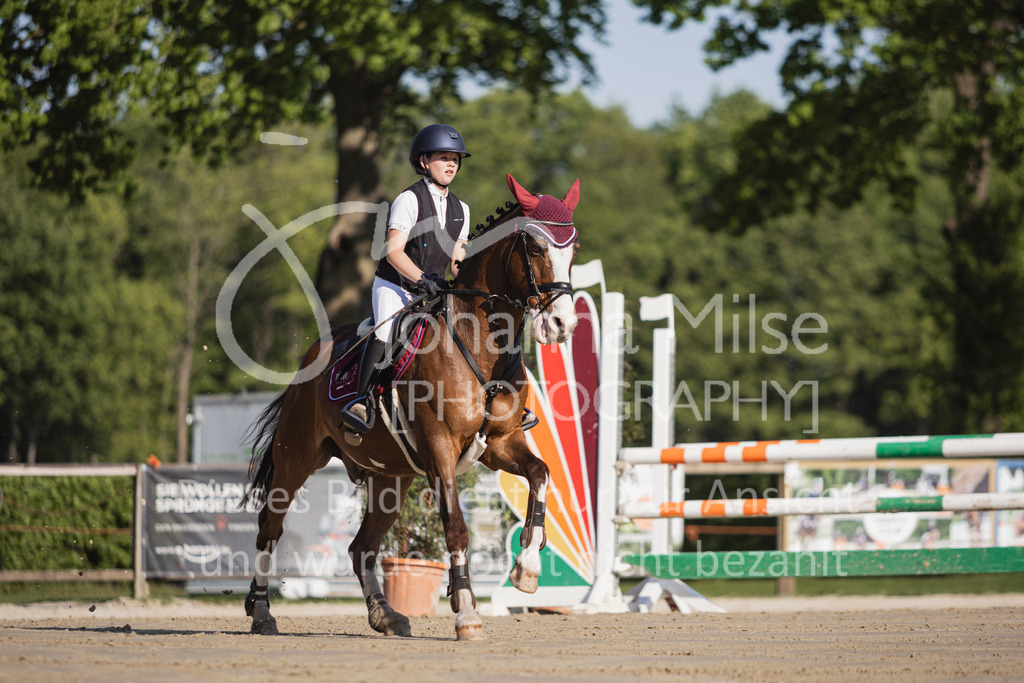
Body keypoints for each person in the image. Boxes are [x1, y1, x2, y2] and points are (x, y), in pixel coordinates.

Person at [340, 124, 471, 441]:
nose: (451, 164)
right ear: (424, 161)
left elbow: (456, 258)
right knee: (386, 330)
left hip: (435, 291)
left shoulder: (462, 209)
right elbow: (394, 252)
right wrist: (423, 279)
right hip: (396, 286)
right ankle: (362, 403)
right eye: (444, 157)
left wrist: (465, 277)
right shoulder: (409, 200)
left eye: (455, 158)